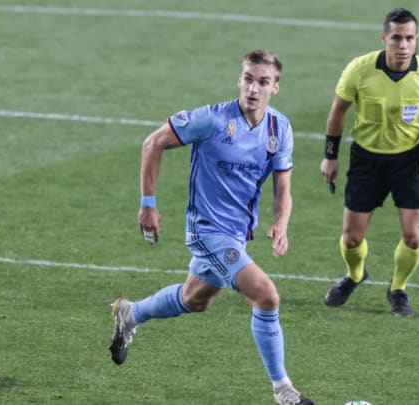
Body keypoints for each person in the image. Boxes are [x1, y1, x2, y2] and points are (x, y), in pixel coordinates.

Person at [109, 49, 314, 405]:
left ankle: (131, 313)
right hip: (206, 231)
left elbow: (284, 188)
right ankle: (284, 391)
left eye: (263, 82)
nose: (253, 88)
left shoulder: (279, 128)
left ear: (275, 87)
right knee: (266, 296)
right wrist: (147, 205)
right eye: (248, 78)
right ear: (239, 80)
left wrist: (281, 223)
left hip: (237, 235)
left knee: (195, 299)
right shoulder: (212, 120)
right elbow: (152, 142)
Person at [320, 8, 419, 317]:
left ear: (417, 39)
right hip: (366, 159)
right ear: (384, 38)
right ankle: (355, 275)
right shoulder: (360, 69)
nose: (403, 45)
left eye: (410, 38)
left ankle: (398, 289)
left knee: (414, 238)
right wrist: (331, 156)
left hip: (409, 160)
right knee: (352, 238)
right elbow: (339, 109)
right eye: (397, 38)